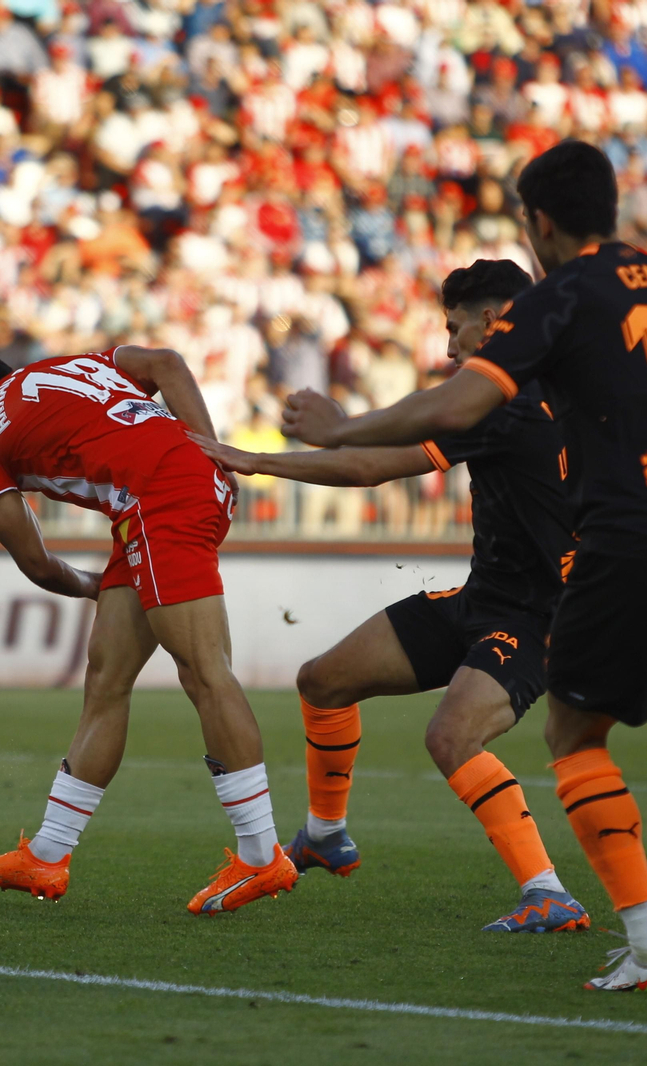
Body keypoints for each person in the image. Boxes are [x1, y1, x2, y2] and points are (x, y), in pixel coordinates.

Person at [278, 140, 647, 992]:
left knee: (575, 741)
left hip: (627, 547)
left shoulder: (560, 297)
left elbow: (463, 400)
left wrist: (339, 426)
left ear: (540, 223)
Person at [192, 260, 589, 933]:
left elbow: (373, 467)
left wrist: (258, 461)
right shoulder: (554, 388)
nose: (450, 346)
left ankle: (549, 893)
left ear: (494, 322)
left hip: (544, 617)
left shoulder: (503, 400)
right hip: (482, 601)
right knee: (324, 681)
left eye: (455, 328)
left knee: (452, 736)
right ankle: (324, 834)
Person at [0, 347, 298, 915]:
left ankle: (260, 853)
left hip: (159, 495)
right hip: (167, 491)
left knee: (204, 673)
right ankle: (48, 854)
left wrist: (85, 584)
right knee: (106, 678)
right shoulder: (71, 364)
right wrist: (216, 455)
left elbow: (31, 557)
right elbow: (170, 364)